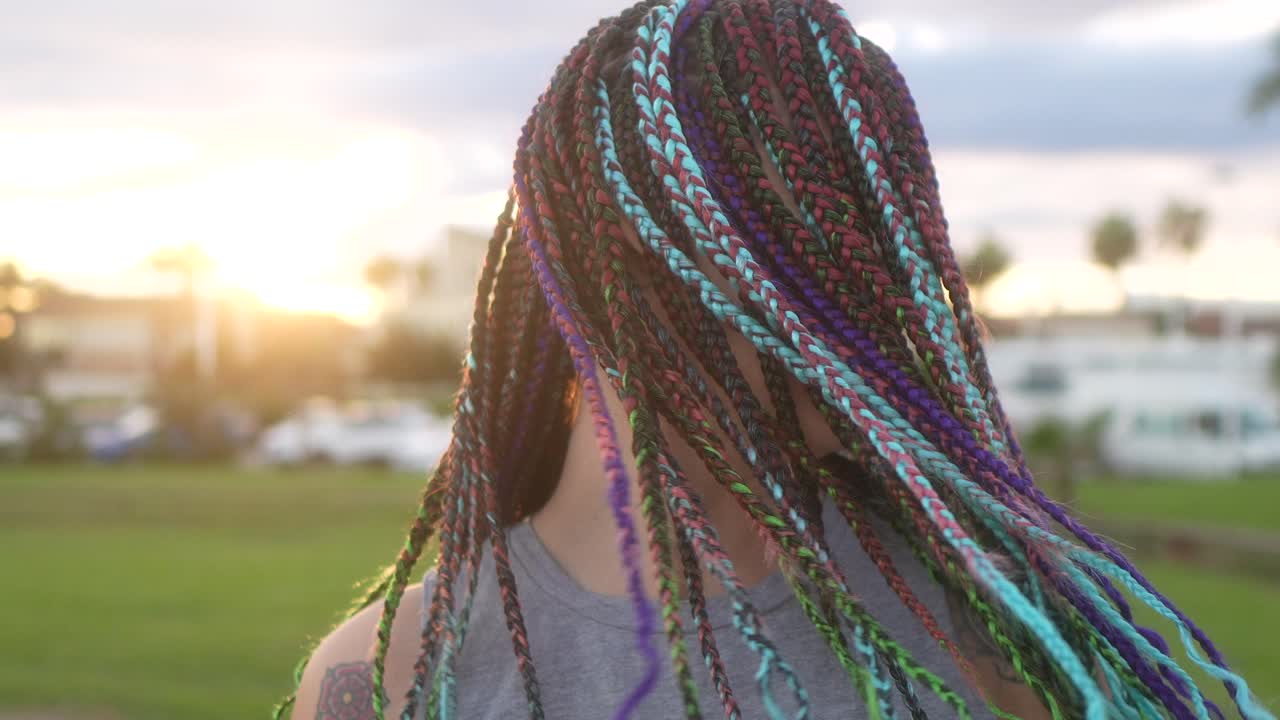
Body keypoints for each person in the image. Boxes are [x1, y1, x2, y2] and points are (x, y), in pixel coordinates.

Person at [283, 1, 1270, 718]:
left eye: (885, 235)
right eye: (810, 245)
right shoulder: (396, 677)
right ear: (628, 265)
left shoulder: (980, 608)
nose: (881, 300)